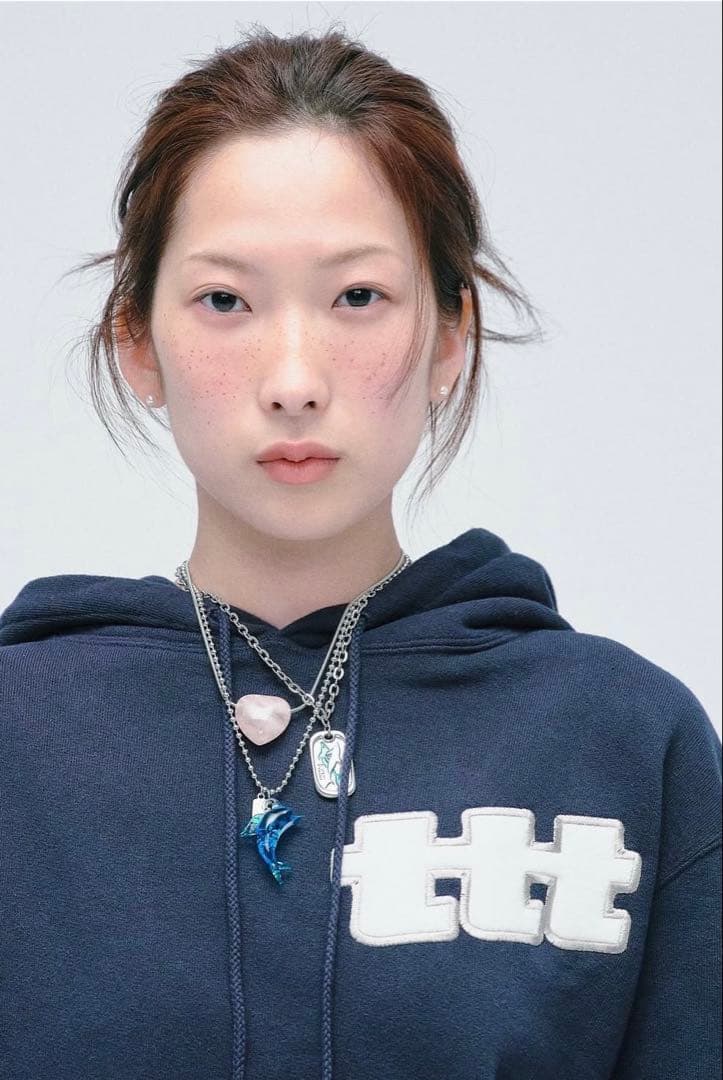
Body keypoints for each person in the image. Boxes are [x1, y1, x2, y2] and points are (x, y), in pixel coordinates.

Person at [0, 23, 720, 1080]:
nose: (294, 380)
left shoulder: (618, 739)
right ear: (138, 341)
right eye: (225, 301)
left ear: (450, 334)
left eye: (357, 298)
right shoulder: (21, 732)